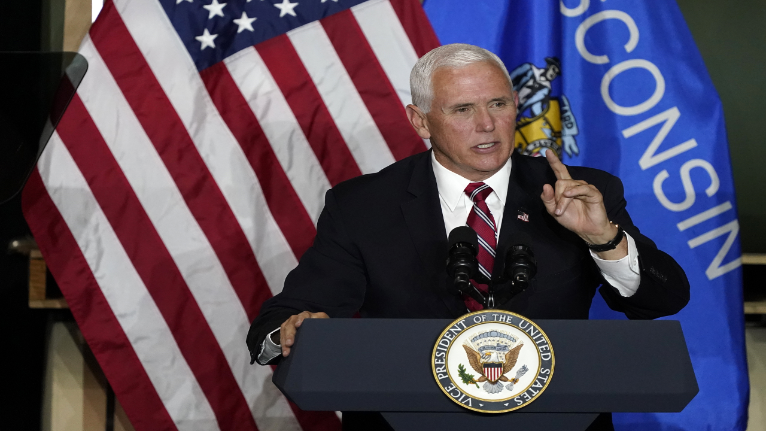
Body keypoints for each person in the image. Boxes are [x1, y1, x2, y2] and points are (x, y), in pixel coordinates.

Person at [246, 44, 689, 431]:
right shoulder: (364, 205)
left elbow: (664, 299)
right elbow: (281, 319)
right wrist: (294, 330)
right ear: (420, 121)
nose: (487, 125)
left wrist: (603, 238)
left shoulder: (580, 192)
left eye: (498, 104)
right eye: (462, 109)